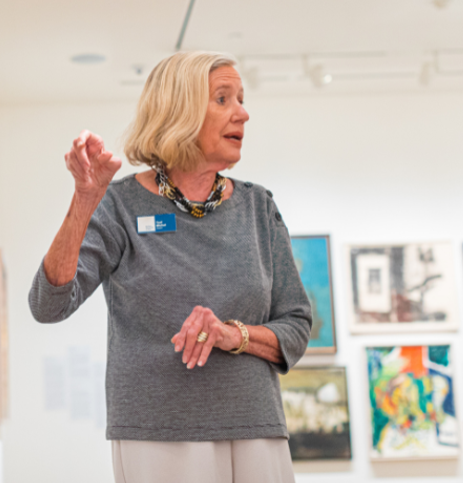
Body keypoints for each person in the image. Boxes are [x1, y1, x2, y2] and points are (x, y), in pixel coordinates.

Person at [29, 51, 312, 483]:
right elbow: (49, 305)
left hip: (256, 429)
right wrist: (86, 200)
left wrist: (231, 334)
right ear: (180, 111)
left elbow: (296, 324)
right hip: (157, 434)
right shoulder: (121, 205)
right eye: (223, 99)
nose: (243, 113)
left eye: (241, 98)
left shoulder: (258, 207)